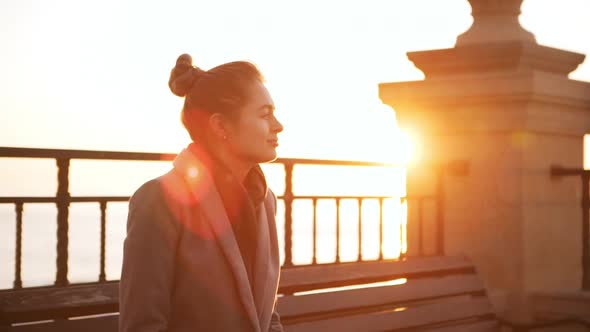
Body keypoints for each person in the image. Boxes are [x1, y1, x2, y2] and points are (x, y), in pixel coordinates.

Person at [119, 54, 285, 332]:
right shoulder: (159, 200)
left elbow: (265, 316)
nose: (278, 125)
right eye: (264, 114)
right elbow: (143, 324)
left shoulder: (264, 201)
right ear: (220, 126)